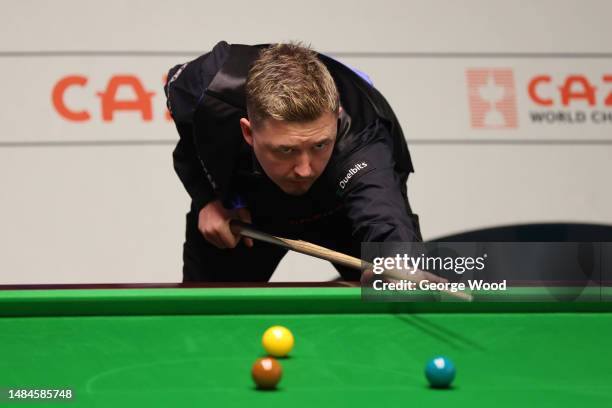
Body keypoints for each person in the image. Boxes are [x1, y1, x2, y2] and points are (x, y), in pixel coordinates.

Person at [165, 41, 422, 282]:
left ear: (337, 117)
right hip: (246, 213)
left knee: (398, 289)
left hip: (343, 212)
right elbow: (190, 130)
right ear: (248, 132)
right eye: (286, 150)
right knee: (209, 321)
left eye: (320, 145)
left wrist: (397, 260)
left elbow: (383, 213)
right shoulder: (210, 89)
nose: (304, 169)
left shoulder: (361, 138)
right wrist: (208, 198)